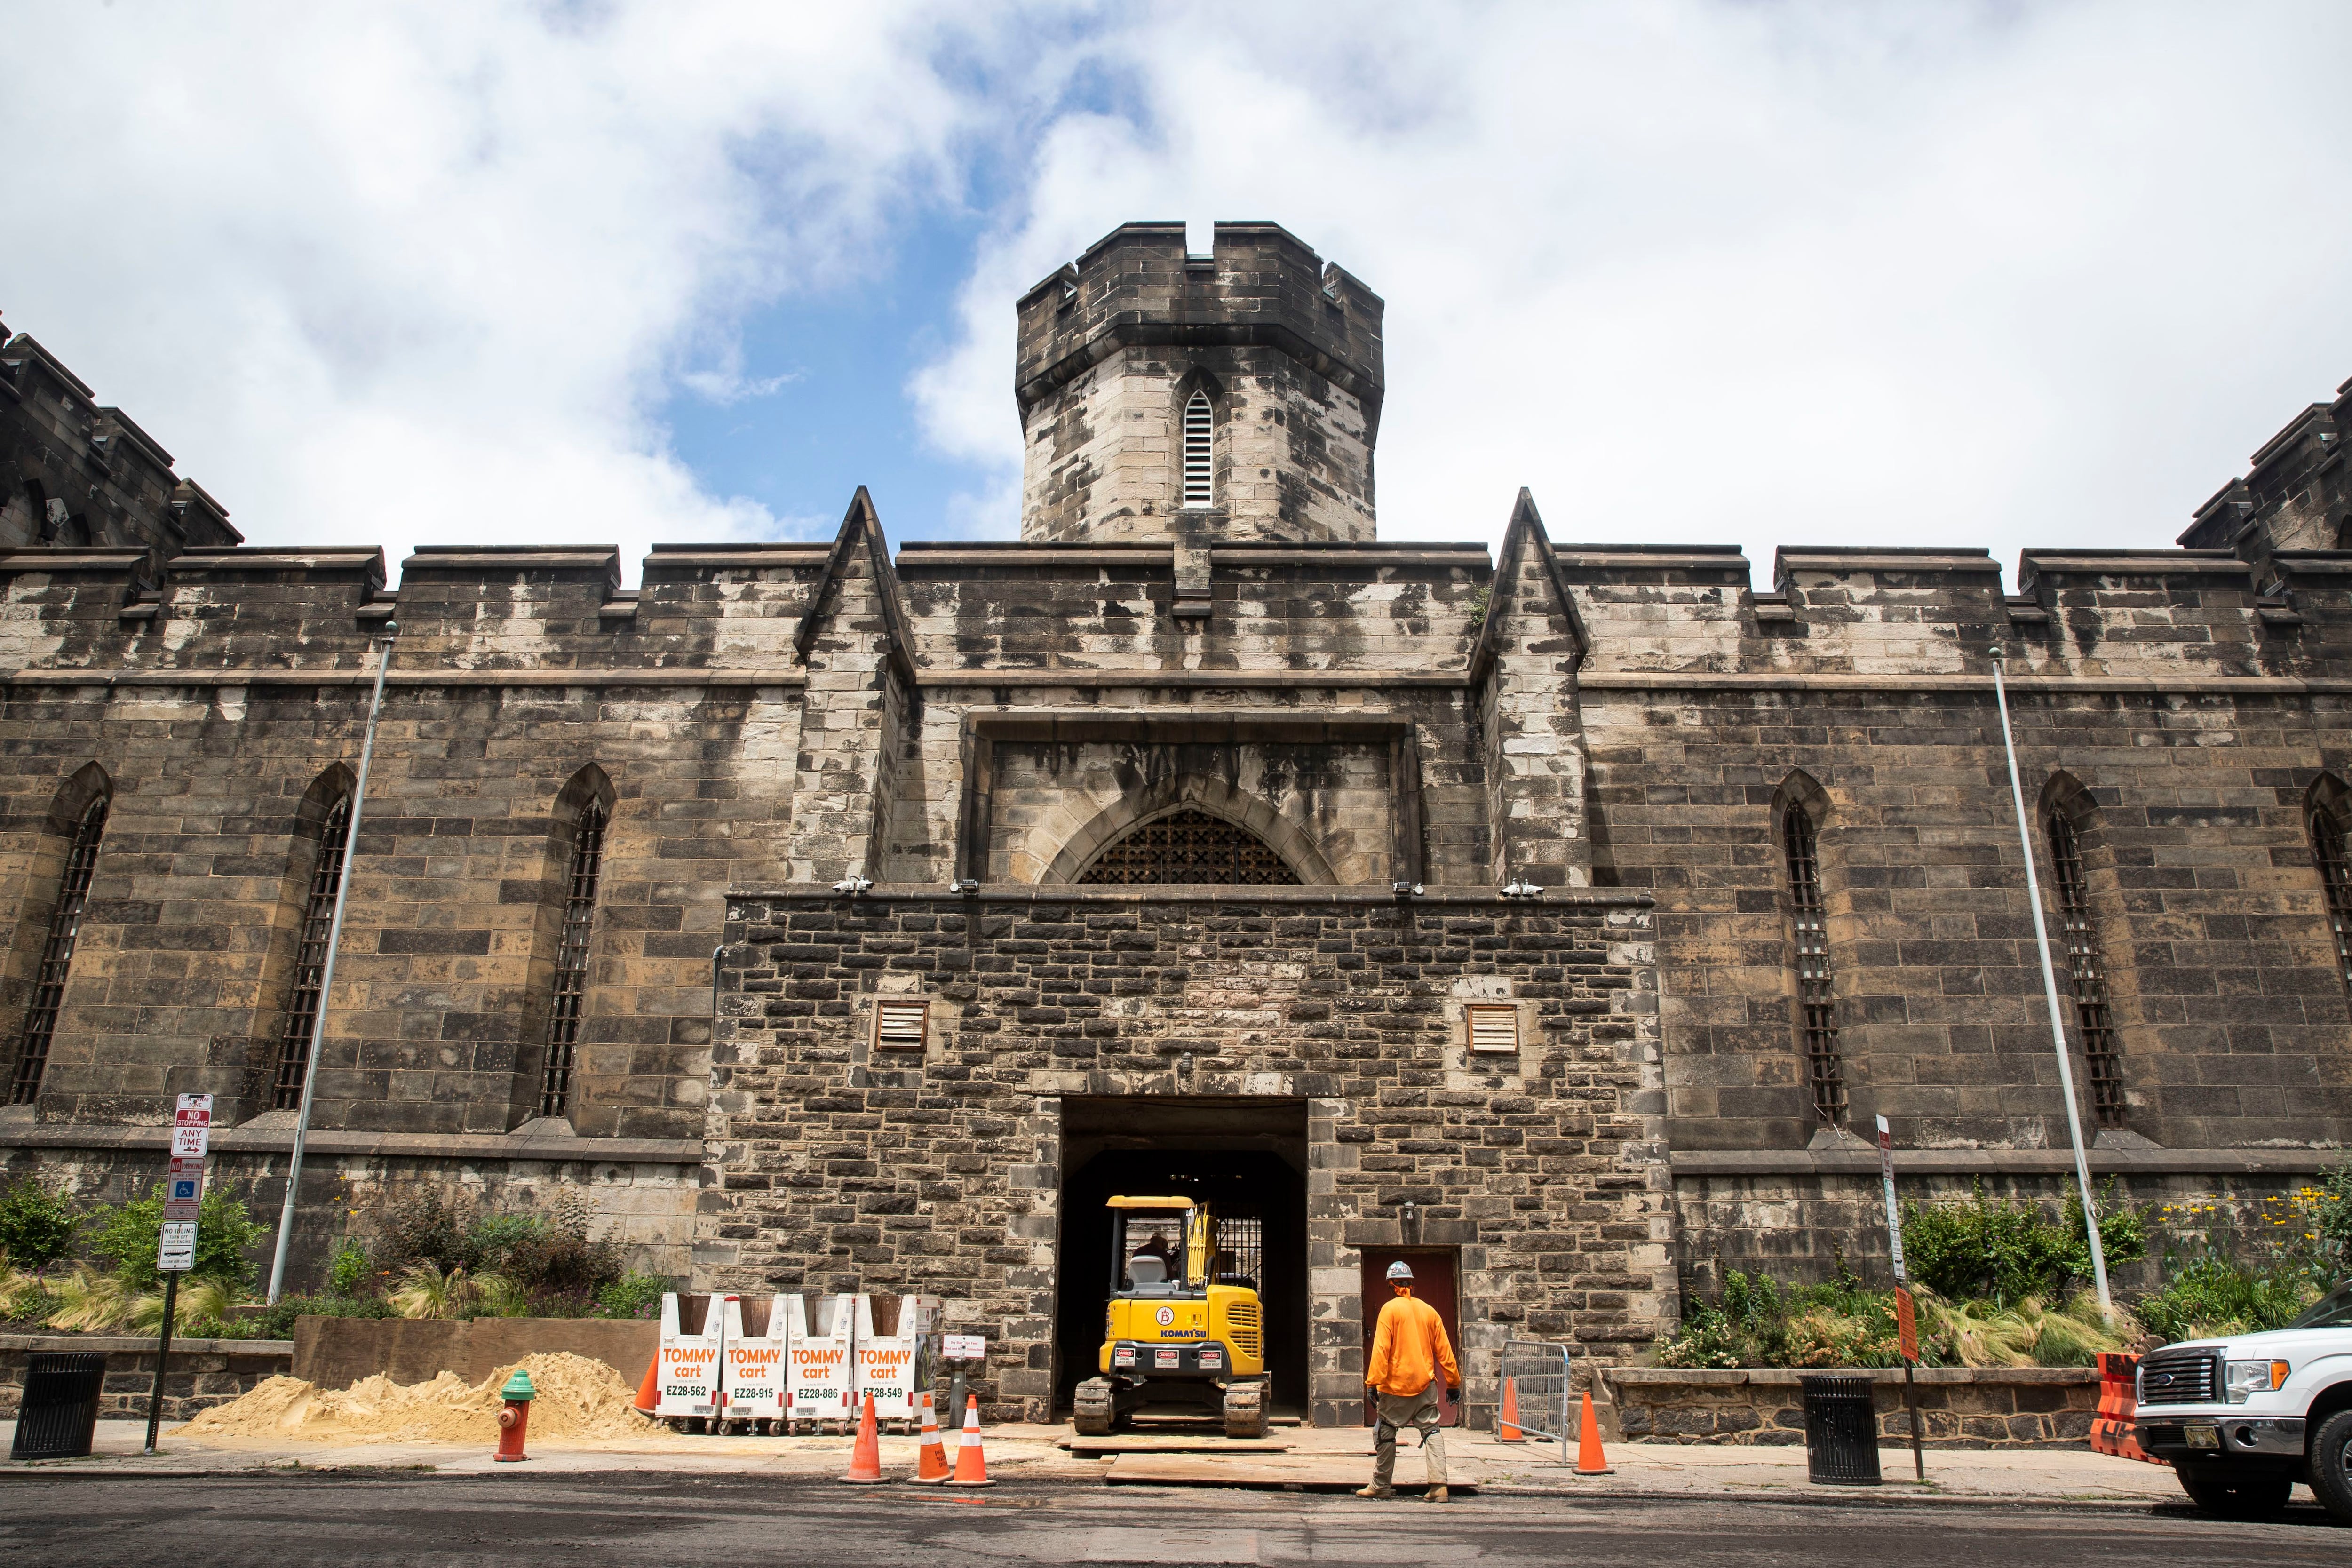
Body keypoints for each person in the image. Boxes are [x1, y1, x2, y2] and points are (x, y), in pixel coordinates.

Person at [1357, 1259, 1461, 1502]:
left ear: (1391, 1285)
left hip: (1396, 1387)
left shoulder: (1389, 1310)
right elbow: (1445, 1351)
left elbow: (1381, 1349)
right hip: (1425, 1385)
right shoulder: (1429, 1311)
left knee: (1385, 1432)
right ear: (1411, 1285)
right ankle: (1439, 1487)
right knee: (1432, 1431)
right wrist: (1453, 1383)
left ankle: (1381, 1485)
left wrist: (1373, 1383)